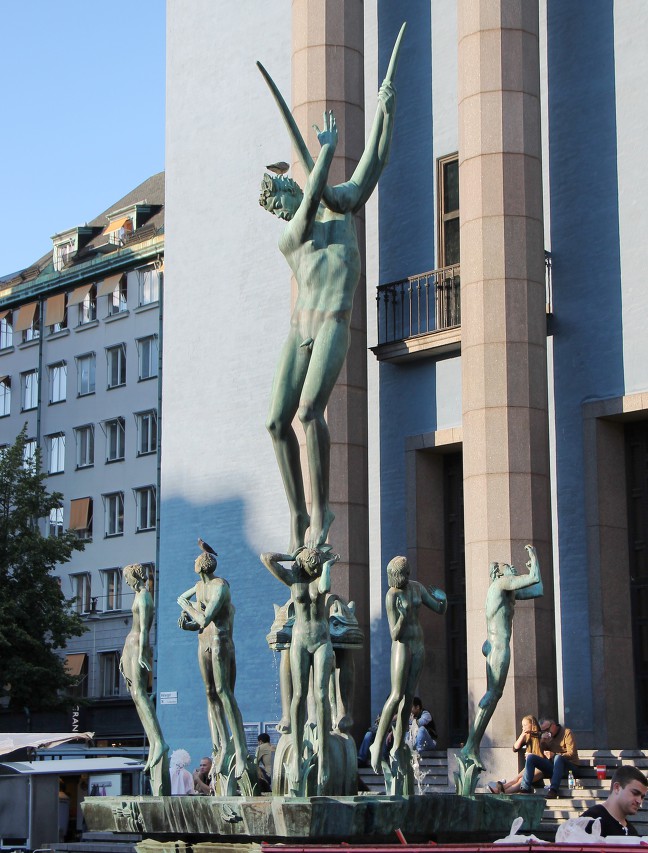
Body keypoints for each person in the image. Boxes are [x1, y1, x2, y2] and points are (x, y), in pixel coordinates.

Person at [260, 79, 396, 554]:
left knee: (307, 412)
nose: (288, 194)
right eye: (280, 196)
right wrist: (326, 151)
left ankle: (321, 510)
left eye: (285, 186)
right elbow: (318, 183)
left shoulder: (342, 212)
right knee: (276, 423)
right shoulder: (291, 237)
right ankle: (297, 511)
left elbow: (372, 166)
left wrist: (385, 112)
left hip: (334, 322)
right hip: (301, 329)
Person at [260, 547, 340, 793]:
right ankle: (296, 752)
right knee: (298, 695)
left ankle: (324, 756)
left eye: (317, 565)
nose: (315, 569)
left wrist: (326, 566)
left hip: (322, 641)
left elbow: (325, 587)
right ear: (304, 563)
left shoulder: (318, 580)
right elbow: (266, 558)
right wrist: (293, 557)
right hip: (300, 641)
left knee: (321, 693)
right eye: (312, 564)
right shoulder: (293, 579)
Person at [460, 545, 543, 770]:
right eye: (509, 568)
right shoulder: (499, 584)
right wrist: (533, 557)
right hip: (498, 647)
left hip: (495, 645)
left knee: (494, 694)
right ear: (499, 572)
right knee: (493, 694)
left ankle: (471, 745)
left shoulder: (508, 592)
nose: (513, 569)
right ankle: (471, 745)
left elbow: (538, 588)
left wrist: (534, 567)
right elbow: (532, 577)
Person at [369, 556, 447, 773]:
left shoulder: (416, 588)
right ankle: (377, 744)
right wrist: (403, 617)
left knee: (409, 697)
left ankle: (398, 744)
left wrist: (443, 599)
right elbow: (394, 633)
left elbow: (439, 609)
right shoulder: (391, 595)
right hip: (402, 645)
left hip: (418, 645)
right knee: (395, 695)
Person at [177, 549, 249, 779]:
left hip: (221, 643)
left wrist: (186, 607)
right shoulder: (199, 587)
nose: (194, 563)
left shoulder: (220, 587)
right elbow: (199, 624)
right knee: (210, 693)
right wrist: (186, 624)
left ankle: (240, 749)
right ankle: (222, 745)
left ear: (202, 566)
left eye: (196, 561)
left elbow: (204, 618)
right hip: (204, 642)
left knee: (224, 692)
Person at [120, 563, 169, 796]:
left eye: (127, 577)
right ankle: (153, 741)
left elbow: (145, 630)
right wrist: (123, 655)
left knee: (140, 693)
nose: (126, 581)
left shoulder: (145, 597)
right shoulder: (140, 595)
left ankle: (159, 742)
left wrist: (141, 654)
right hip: (130, 646)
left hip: (138, 645)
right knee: (135, 694)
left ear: (135, 576)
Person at [519, 716, 580, 797]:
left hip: (569, 767)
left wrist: (555, 755)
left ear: (553, 725)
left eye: (547, 730)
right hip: (554, 767)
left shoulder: (567, 733)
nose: (546, 732)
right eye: (543, 731)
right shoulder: (547, 737)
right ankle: (525, 788)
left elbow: (571, 753)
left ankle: (553, 790)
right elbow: (542, 753)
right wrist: (542, 742)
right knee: (531, 757)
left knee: (558, 758)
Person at [582, 766, 648, 836]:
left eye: (642, 797)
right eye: (635, 793)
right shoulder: (589, 821)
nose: (639, 801)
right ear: (617, 788)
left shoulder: (632, 832)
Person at [487, 715, 545, 794]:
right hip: (530, 766)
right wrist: (522, 735)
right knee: (516, 778)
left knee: (521, 780)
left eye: (525, 725)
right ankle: (500, 789)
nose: (523, 727)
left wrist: (532, 755)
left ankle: (505, 793)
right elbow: (515, 748)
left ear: (532, 724)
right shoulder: (527, 736)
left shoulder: (541, 736)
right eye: (522, 726)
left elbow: (545, 756)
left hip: (540, 768)